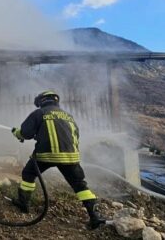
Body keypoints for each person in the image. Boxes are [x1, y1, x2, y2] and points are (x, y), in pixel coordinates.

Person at [11, 90, 106, 230]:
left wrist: (16, 133)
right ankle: (95, 216)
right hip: (70, 157)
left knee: (28, 174)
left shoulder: (39, 113)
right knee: (80, 185)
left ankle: (23, 203)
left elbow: (26, 133)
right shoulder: (68, 116)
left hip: (45, 156)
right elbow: (76, 135)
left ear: (42, 101)